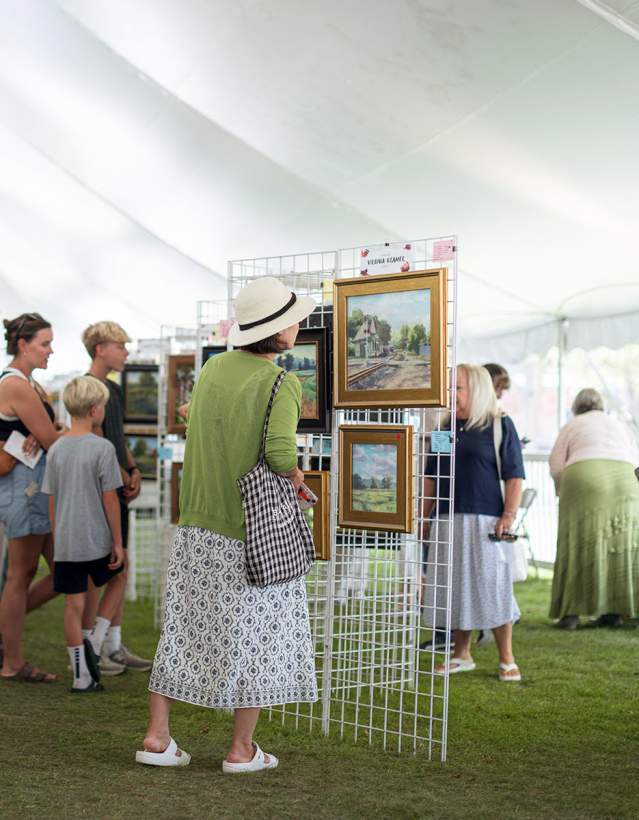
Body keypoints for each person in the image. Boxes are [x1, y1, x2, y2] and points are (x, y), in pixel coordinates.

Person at [137, 277, 318, 772]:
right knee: (257, 632)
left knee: (182, 628)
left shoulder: (214, 368)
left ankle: (157, 737)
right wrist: (299, 476)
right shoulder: (283, 382)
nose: (298, 325)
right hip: (250, 530)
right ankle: (240, 750)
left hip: (196, 523)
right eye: (293, 317)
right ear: (280, 329)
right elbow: (280, 455)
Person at [422, 364, 525, 681]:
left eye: (458, 388)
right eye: (450, 388)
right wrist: (424, 517)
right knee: (453, 586)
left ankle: (506, 658)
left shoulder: (499, 425)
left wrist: (508, 515)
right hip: (446, 518)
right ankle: (460, 653)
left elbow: (514, 476)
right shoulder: (444, 427)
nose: (451, 394)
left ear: (477, 389)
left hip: (486, 520)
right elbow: (432, 475)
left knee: (493, 587)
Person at [42, 377, 125, 692]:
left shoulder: (56, 450)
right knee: (119, 578)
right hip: (96, 539)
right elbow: (109, 499)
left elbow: (52, 499)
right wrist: (117, 542)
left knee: (72, 604)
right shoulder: (103, 448)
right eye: (103, 405)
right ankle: (96, 640)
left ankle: (81, 677)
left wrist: (57, 535)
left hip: (66, 542)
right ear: (94, 409)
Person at [82, 322, 152, 674]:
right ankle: (95, 646)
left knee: (118, 566)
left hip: (117, 485)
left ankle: (111, 646)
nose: (126, 352)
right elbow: (95, 439)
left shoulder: (113, 388)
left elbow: (118, 438)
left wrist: (134, 469)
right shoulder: (86, 388)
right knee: (112, 567)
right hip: (101, 491)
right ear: (100, 349)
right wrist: (122, 474)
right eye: (120, 345)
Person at [0, 313, 63, 682]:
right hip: (23, 489)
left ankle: (7, 637)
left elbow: (49, 433)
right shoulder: (17, 385)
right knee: (20, 575)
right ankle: (12, 662)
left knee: (62, 574)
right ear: (23, 345)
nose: (50, 351)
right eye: (44, 343)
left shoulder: (30, 385)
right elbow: (53, 437)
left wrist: (49, 432)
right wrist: (54, 432)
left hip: (36, 488)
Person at [549, 388, 639, 629]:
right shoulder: (617, 424)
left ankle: (571, 615)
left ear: (576, 407)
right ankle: (615, 612)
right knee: (618, 545)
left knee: (576, 542)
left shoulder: (573, 424)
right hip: (625, 479)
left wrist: (561, 490)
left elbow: (556, 464)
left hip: (584, 476)